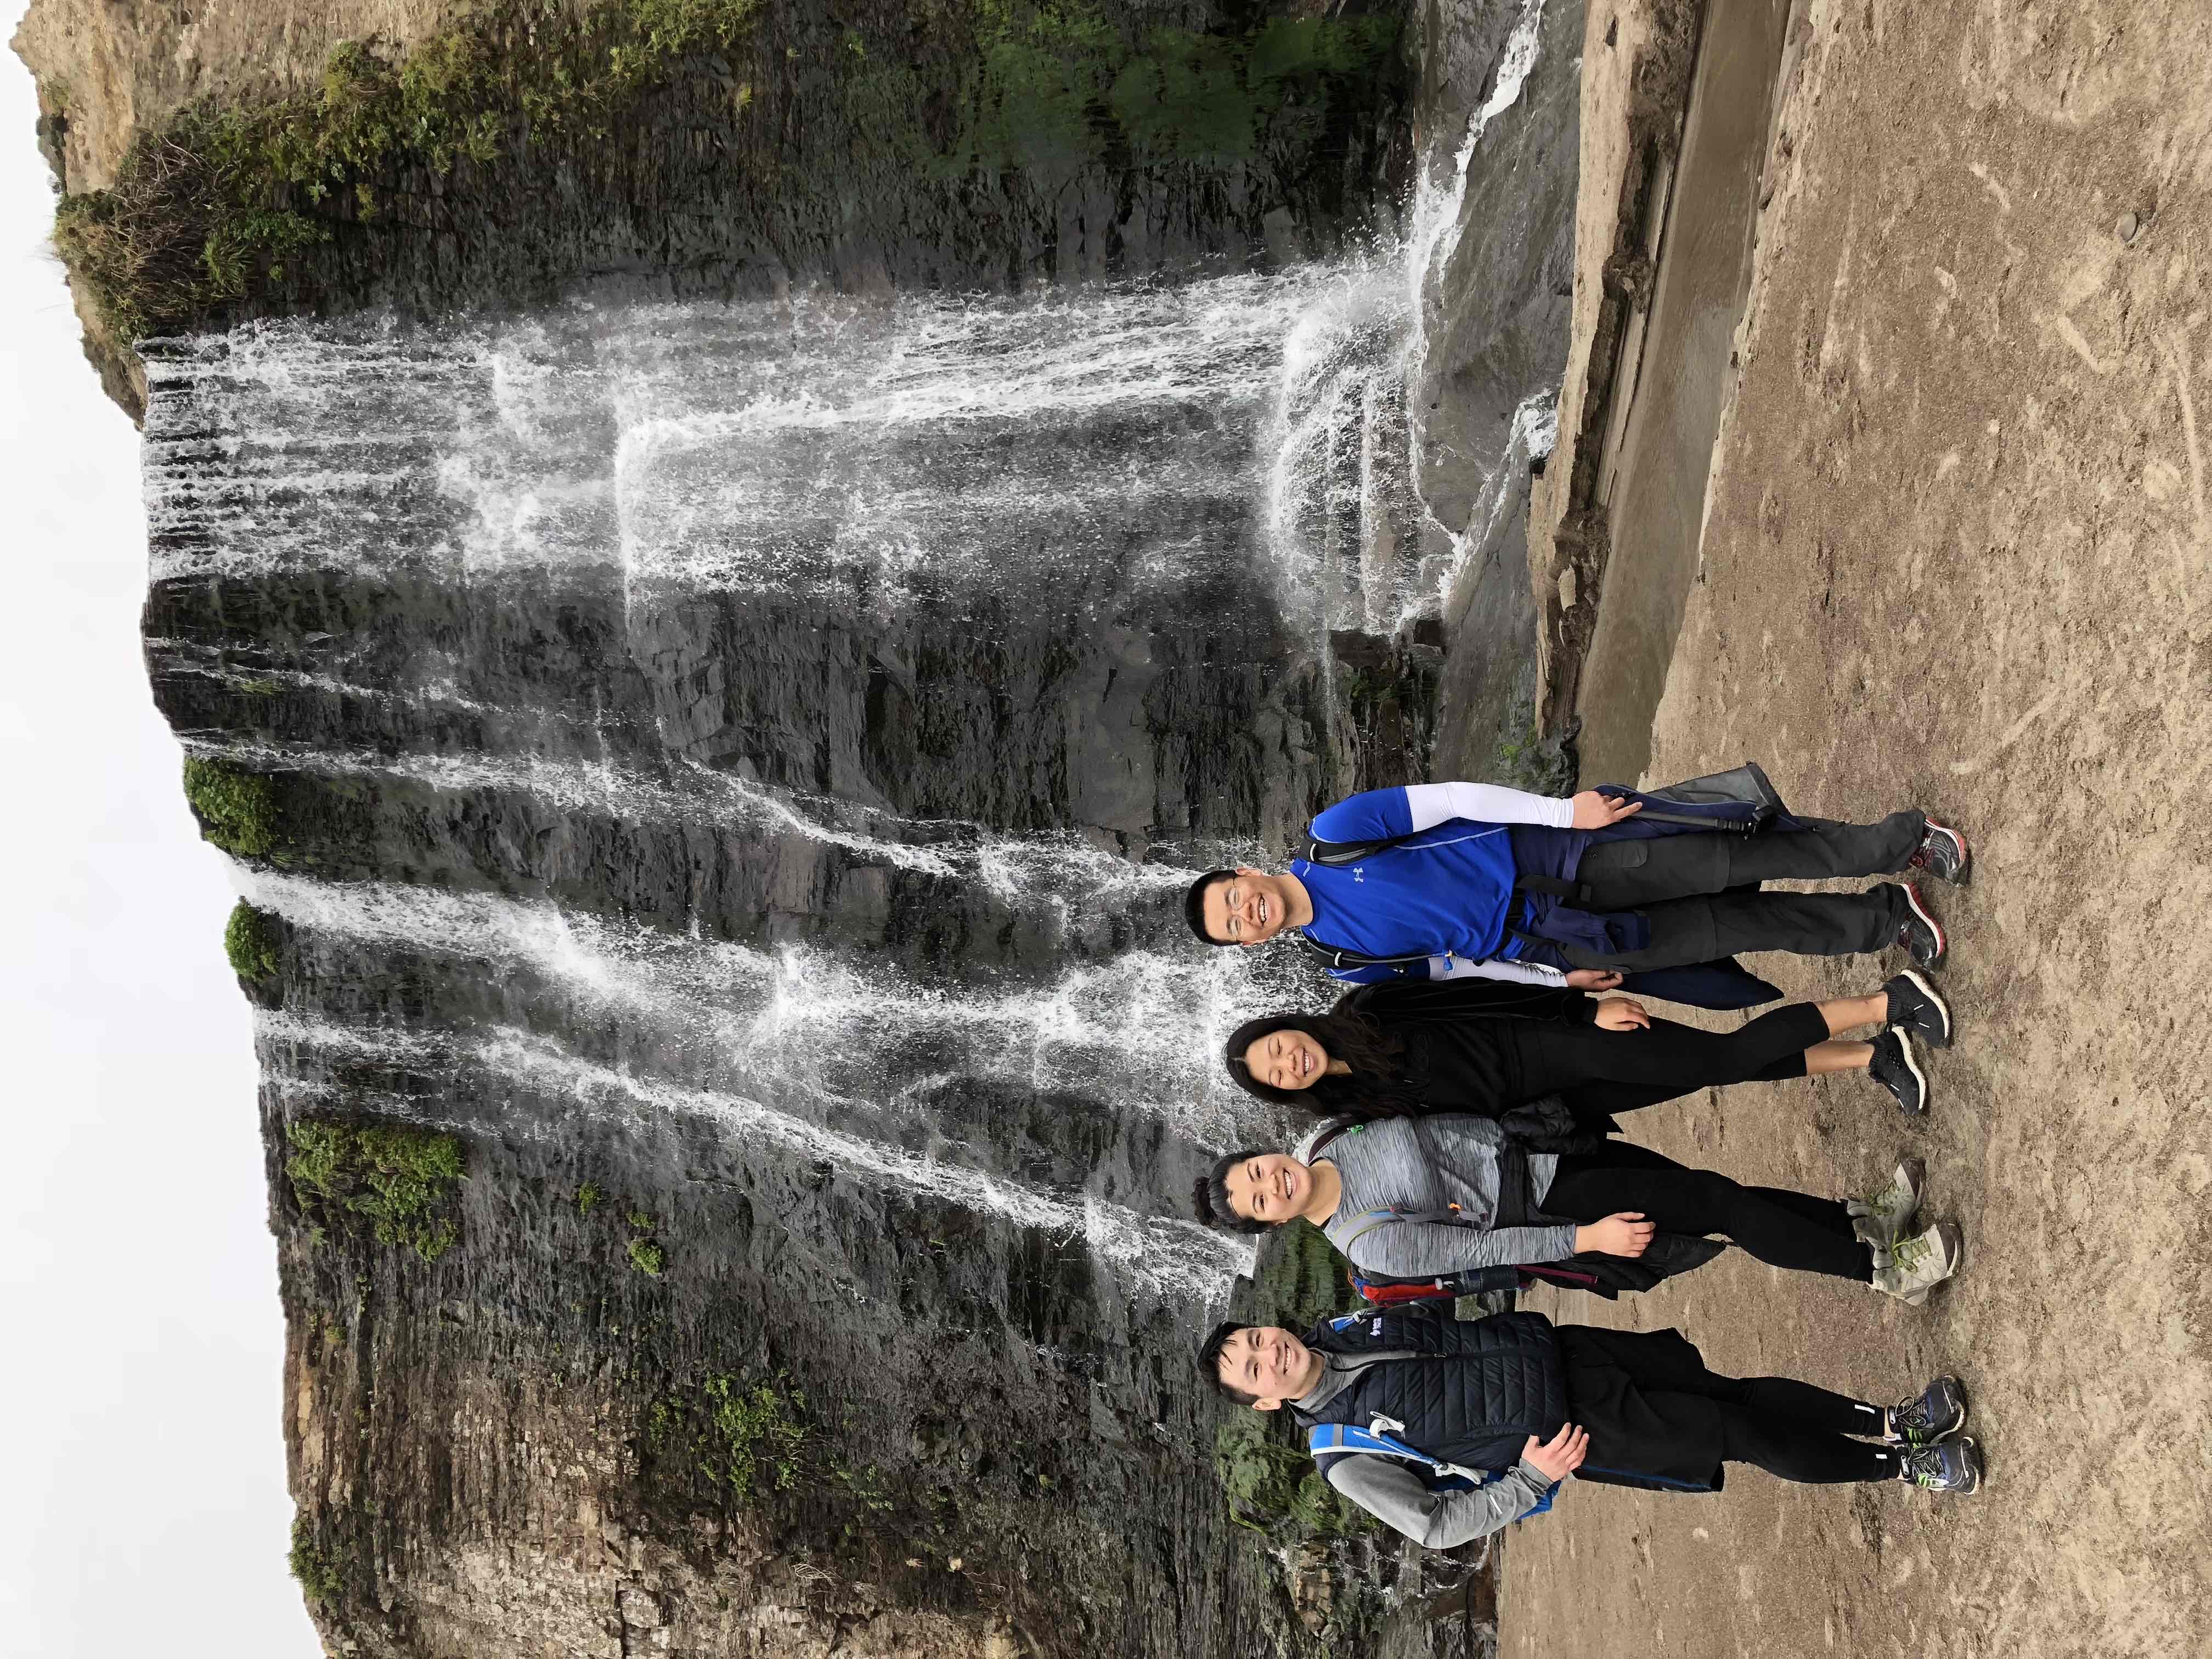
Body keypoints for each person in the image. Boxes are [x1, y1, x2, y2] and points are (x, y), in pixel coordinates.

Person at [1197, 1305, 1982, 1550]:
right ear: (1264, 1402)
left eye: (1258, 1340)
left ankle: (1896, 1421)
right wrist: (1530, 1481)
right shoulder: (1339, 1455)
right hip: (1574, 1431)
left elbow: (1448, 1325)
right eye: (1254, 1369)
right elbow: (1432, 1525)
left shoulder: (1344, 1323)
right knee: (1734, 1435)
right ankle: (1903, 1470)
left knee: (1735, 1392)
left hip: (1569, 1355)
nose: (1269, 1354)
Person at [1181, 771, 1967, 1006]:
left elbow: (1455, 799)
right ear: (1250, 943)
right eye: (1235, 928)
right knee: (1736, 927)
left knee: (1733, 858)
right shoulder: (1338, 958)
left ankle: (1903, 842)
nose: (1246, 914)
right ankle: (1884, 921)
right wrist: (1556, 975)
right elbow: (1458, 965)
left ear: (1247, 873)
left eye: (1232, 900)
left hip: (1561, 859)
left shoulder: (1337, 830)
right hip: (1556, 940)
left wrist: (1567, 812)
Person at [1193, 1092, 1963, 1301]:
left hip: (1543, 1148)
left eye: (1257, 1172)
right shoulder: (1367, 1242)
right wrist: (1585, 1241)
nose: (1270, 1184)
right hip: (1557, 1208)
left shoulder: (1329, 1138)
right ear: (1272, 1224)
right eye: (1259, 1201)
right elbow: (1483, 1249)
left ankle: (1858, 1222)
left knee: (1712, 1190)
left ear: (1266, 1155)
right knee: (1721, 1213)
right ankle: (1882, 1272)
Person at [1223, 969, 1950, 1121]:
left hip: (1561, 1042)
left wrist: (1582, 1007)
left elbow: (1480, 987)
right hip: (1562, 1098)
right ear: (1286, 1090)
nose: (1289, 1061)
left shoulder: (1369, 1006)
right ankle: (1873, 1055)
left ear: (1288, 1027)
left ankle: (1889, 1001)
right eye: (1276, 1074)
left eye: (1277, 1046)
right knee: (1712, 1073)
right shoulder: (1357, 1104)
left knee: (1723, 1055)